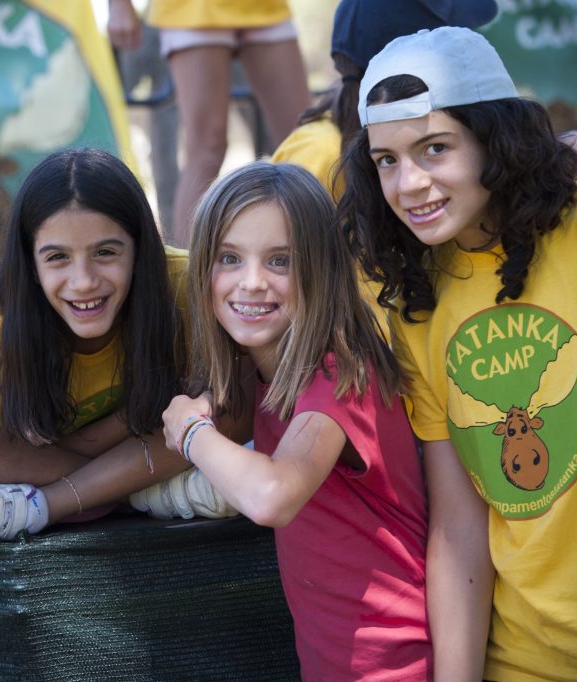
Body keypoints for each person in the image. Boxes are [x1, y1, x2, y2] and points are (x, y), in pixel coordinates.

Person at [338, 26, 577, 679]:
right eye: (386, 160)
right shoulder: (415, 296)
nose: (408, 183)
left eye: (434, 149)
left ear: (495, 140)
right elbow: (460, 529)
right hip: (523, 659)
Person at [0, 147, 239, 548]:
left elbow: (237, 407)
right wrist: (134, 426)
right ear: (30, 265)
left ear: (140, 250)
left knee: (237, 398)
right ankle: (144, 493)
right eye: (57, 258)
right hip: (151, 460)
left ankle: (77, 499)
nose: (83, 281)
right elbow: (30, 455)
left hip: (87, 477)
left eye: (105, 253)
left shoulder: (190, 285)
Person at [160, 161, 430, 680]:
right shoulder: (260, 372)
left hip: (392, 664)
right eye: (229, 258)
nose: (252, 283)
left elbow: (272, 496)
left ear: (321, 270)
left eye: (280, 261)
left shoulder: (340, 372)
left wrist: (191, 432)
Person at [273, 0, 577, 214]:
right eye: (386, 161)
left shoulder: (512, 148)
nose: (476, 42)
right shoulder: (319, 155)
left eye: (435, 149)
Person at [108, 0, 311, 247]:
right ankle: (187, 272)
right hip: (190, 9)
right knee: (207, 147)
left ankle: (318, 261)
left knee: (305, 136)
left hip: (266, 8)